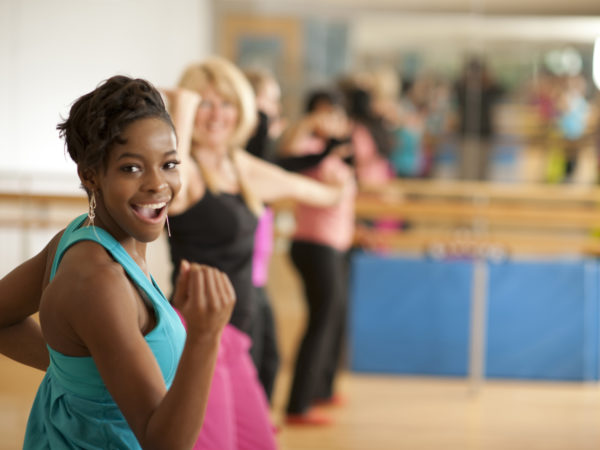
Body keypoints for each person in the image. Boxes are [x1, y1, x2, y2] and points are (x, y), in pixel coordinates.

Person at [0, 75, 235, 449]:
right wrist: (205, 336)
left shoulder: (84, 236)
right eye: (132, 168)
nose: (158, 185)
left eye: (169, 164)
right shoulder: (97, 282)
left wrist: (81, 370)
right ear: (90, 176)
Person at [163, 57, 346, 418]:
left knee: (254, 436)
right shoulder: (190, 173)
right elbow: (175, 186)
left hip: (240, 329)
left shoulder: (238, 166)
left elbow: (295, 185)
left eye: (226, 103)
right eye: (205, 103)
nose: (216, 115)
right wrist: (180, 109)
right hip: (196, 333)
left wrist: (336, 192)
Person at [277, 88, 356, 426]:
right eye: (323, 114)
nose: (331, 121)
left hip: (336, 246)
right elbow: (284, 151)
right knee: (321, 322)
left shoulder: (337, 154)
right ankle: (298, 405)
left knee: (334, 320)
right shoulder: (307, 151)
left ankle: (322, 388)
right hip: (314, 246)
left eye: (335, 114)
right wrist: (310, 122)